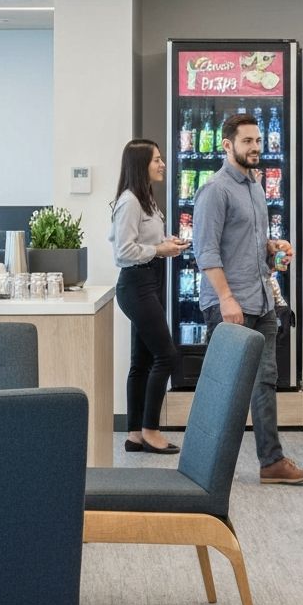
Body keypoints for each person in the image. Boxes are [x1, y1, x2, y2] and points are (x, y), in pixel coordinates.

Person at [193, 112, 303, 485]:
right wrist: (226, 300)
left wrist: (272, 248)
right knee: (224, 386)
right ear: (227, 145)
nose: (255, 148)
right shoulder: (215, 190)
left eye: (258, 141)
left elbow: (248, 243)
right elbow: (206, 252)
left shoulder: (255, 187)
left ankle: (272, 462)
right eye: (247, 141)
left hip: (261, 299)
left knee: (265, 380)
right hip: (229, 305)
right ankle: (207, 466)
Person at [109, 139, 188, 455]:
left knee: (141, 361)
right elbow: (123, 251)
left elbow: (141, 241)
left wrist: (166, 243)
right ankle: (152, 429)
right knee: (166, 355)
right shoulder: (130, 201)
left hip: (148, 280)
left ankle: (134, 434)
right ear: (141, 164)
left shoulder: (145, 200)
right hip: (136, 284)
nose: (162, 164)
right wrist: (159, 249)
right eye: (157, 159)